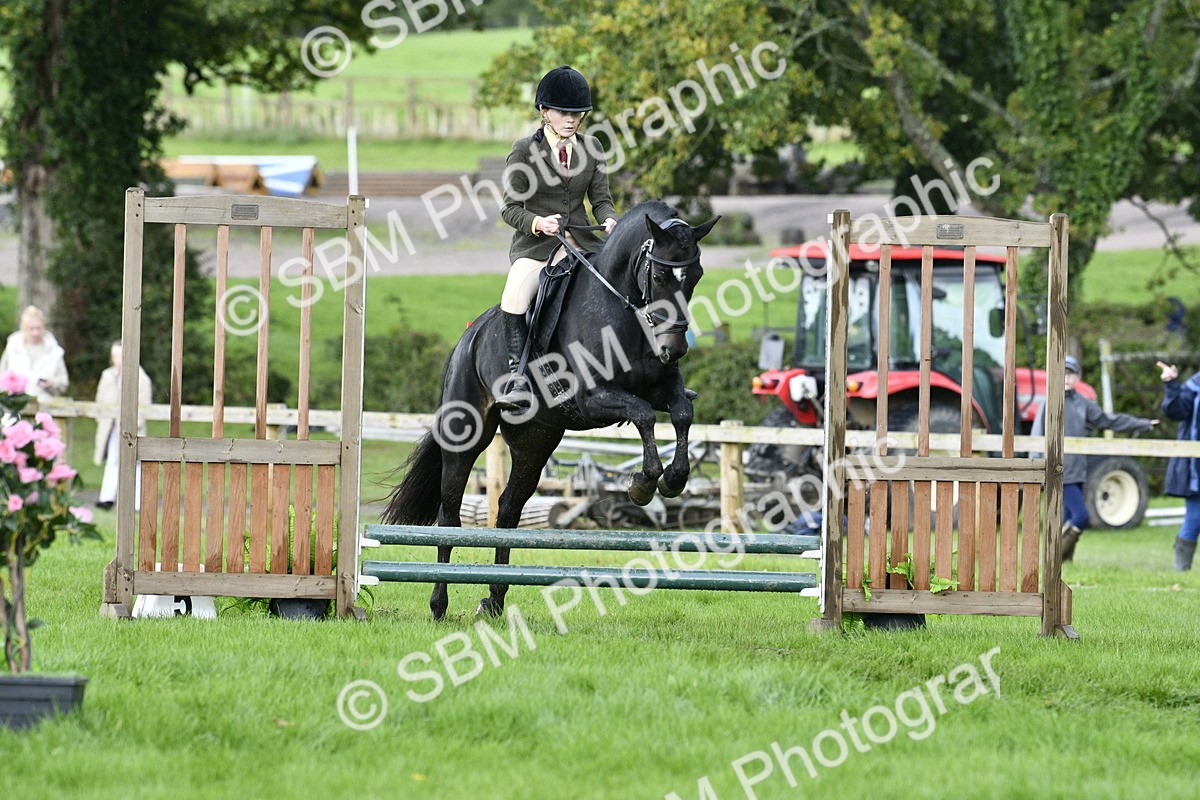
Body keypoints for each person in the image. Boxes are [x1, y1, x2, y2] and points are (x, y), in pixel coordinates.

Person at [497, 65, 618, 412]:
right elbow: (510, 209)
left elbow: (602, 201)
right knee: (515, 296)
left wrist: (609, 220)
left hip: (584, 242)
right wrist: (538, 222)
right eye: (564, 112)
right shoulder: (523, 151)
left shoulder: (592, 148)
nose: (571, 119)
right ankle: (518, 377)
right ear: (544, 111)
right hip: (537, 248)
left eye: (577, 113)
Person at [1031, 355, 1157, 560]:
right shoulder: (1049, 401)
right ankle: (1053, 561)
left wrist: (1142, 424)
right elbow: (1036, 436)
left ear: (1078, 377)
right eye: (1063, 373)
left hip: (1077, 470)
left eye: (1071, 374)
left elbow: (1109, 421)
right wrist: (1036, 466)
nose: (1066, 378)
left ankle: (1062, 564)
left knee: (1068, 518)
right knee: (1082, 516)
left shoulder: (1084, 404)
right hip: (1056, 471)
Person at [93, 341, 152, 510]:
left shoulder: (141, 376)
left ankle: (137, 501)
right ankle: (107, 497)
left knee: (135, 461)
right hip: (111, 426)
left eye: (121, 356)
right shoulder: (108, 375)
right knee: (113, 459)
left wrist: (135, 424)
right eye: (115, 356)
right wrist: (103, 420)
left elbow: (145, 404)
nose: (118, 360)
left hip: (133, 428)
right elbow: (100, 400)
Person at [1158, 361, 1200, 571]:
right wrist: (1172, 384)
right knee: (1194, 518)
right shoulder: (1194, 386)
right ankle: (1181, 574)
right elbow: (1175, 412)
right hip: (1196, 468)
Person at [0, 305, 69, 402]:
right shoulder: (12, 347)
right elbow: (2, 375)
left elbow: (63, 383)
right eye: (31, 329)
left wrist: (51, 383)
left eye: (38, 328)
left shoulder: (55, 351)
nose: (35, 333)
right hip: (14, 405)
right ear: (24, 328)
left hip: (44, 406)